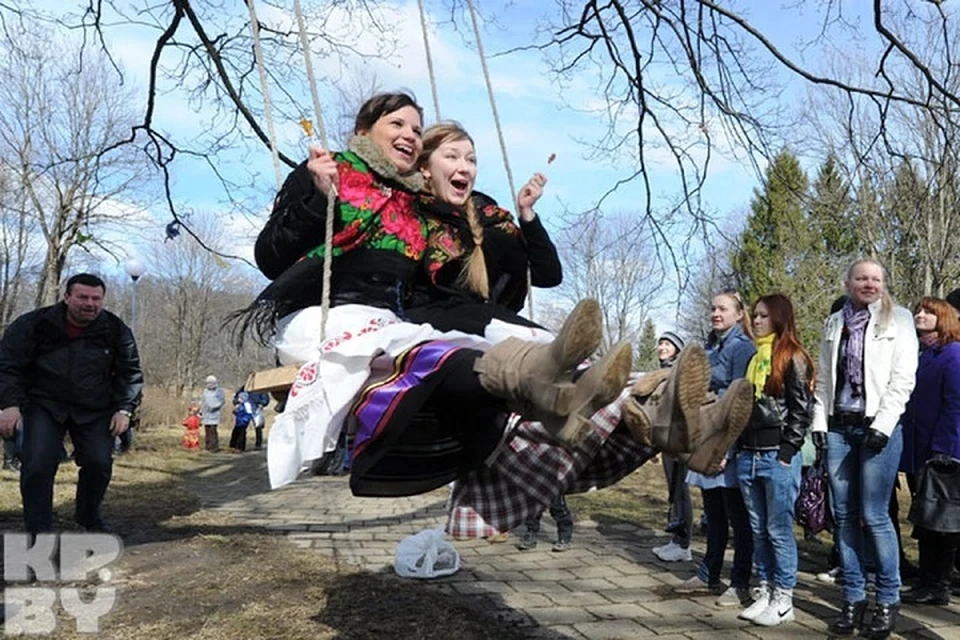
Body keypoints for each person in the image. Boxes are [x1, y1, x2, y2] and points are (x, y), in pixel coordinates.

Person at [246, 92, 631, 492]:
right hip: (321, 320)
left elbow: (510, 264)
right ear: (363, 130)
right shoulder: (329, 173)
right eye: (397, 124)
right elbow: (270, 258)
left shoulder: (411, 203)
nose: (410, 134)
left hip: (389, 326)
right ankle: (543, 383)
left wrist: (517, 220)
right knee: (442, 350)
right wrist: (318, 199)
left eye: (416, 128)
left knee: (452, 351)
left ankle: (607, 402)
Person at [811, 258, 918, 639]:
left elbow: (903, 379)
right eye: (862, 278)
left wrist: (884, 424)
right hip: (840, 427)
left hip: (878, 428)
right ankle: (853, 598)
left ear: (883, 283)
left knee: (874, 516)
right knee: (843, 515)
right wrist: (819, 424)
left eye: (876, 278)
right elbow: (824, 378)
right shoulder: (835, 320)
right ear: (848, 282)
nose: (869, 284)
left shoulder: (899, 318)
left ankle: (887, 600)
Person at [0, 273, 143, 534]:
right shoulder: (34, 325)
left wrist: (125, 409)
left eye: (96, 299)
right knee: (38, 463)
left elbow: (130, 372)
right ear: (66, 297)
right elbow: (8, 367)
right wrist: (9, 405)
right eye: (82, 297)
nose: (89, 304)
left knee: (99, 462)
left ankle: (88, 516)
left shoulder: (114, 329)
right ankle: (38, 530)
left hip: (95, 406)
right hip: (43, 403)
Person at [404, 121, 561, 340]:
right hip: (421, 327)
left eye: (471, 160)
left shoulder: (488, 221)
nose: (465, 167)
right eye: (452, 157)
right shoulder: (404, 214)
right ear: (425, 167)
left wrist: (527, 215)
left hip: (488, 325)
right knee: (526, 338)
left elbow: (547, 274)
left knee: (545, 341)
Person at [735, 294, 814, 626]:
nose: (756, 321)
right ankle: (764, 590)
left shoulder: (792, 357)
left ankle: (784, 597)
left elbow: (801, 412)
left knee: (778, 529)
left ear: (779, 318)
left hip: (775, 456)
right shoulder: (755, 359)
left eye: (763, 316)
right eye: (754, 315)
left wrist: (786, 453)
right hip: (747, 455)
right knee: (758, 529)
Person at [676, 290, 756, 609]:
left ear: (739, 314)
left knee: (738, 517)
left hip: (728, 443)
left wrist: (727, 448)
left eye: (722, 308)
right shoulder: (711, 346)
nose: (715, 313)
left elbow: (739, 402)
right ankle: (709, 572)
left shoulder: (743, 348)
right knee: (714, 514)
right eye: (712, 308)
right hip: (706, 435)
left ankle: (739, 583)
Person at [899, 297, 960, 606]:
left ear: (944, 317)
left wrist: (945, 449)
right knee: (925, 522)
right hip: (917, 451)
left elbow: (956, 405)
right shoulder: (923, 353)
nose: (919, 314)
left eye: (927, 311)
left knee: (942, 523)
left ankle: (938, 585)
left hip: (942, 454)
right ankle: (926, 582)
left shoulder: (953, 354)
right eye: (918, 310)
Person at [650, 331, 695, 563]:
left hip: (680, 439)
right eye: (660, 343)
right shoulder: (661, 371)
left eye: (667, 344)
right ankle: (676, 540)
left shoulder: (680, 372)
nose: (662, 347)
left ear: (677, 349)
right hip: (666, 438)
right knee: (673, 490)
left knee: (681, 490)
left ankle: (684, 544)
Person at [201, 375, 225, 453]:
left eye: (211, 383)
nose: (210, 385)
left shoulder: (219, 391)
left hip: (214, 413)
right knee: (207, 430)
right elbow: (203, 402)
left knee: (212, 430)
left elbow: (222, 401)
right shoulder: (205, 391)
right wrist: (201, 411)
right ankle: (208, 446)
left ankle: (214, 447)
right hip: (206, 414)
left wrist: (214, 406)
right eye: (208, 383)